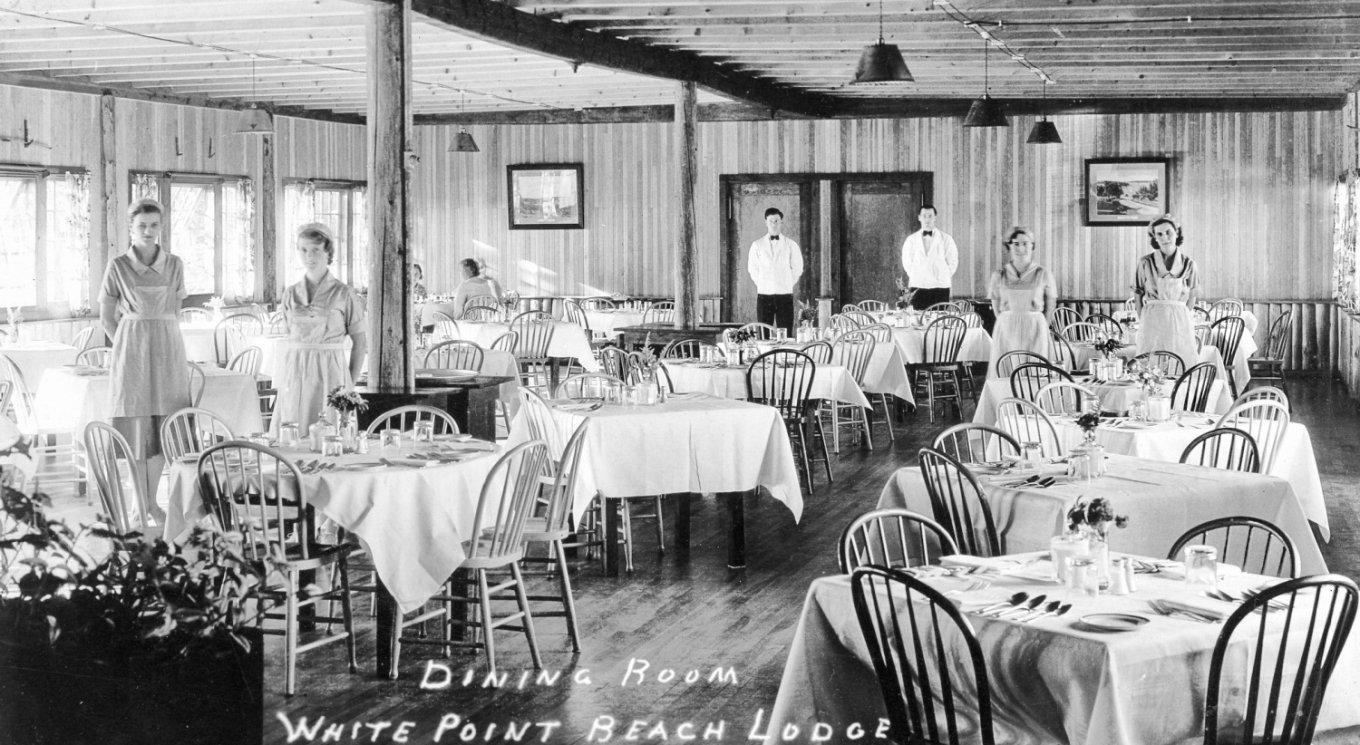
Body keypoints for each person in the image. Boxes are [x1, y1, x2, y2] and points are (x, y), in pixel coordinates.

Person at [98, 198, 189, 502]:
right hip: (132, 353)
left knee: (167, 423)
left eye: (153, 225)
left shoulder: (175, 264)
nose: (148, 231)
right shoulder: (118, 266)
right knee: (137, 426)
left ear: (161, 227)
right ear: (131, 228)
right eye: (142, 226)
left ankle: (152, 500)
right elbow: (106, 317)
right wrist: (127, 343)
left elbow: (175, 311)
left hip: (168, 349)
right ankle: (141, 503)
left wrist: (161, 340)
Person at [276, 223, 368, 434]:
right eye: (304, 250)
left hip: (331, 371)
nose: (310, 256)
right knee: (293, 431)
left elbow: (360, 343)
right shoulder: (290, 293)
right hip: (297, 371)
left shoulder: (344, 294)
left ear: (328, 252)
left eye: (316, 249)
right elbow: (289, 337)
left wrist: (348, 386)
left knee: (331, 432)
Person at [986, 227, 1056, 379]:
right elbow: (995, 302)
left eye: (1025, 243)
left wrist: (1043, 324)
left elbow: (1051, 302)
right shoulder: (999, 275)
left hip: (1035, 328)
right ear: (1009, 246)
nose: (1021, 248)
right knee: (1006, 370)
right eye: (1016, 244)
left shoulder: (1043, 273)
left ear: (1032, 246)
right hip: (1007, 328)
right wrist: (1005, 321)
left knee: (1035, 373)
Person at [1133, 214, 1199, 367]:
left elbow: (1193, 293)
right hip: (1152, 318)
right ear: (1154, 238)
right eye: (1159, 234)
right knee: (1151, 362)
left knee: (1181, 361)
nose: (1165, 238)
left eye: (1168, 232)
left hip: (1179, 319)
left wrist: (1184, 315)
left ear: (1177, 232)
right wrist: (1143, 317)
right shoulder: (1145, 262)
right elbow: (1138, 292)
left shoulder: (1189, 264)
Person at [746, 207, 803, 333]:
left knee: (786, 332)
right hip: (764, 295)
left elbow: (797, 268)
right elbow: (753, 269)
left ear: (781, 222)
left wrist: (785, 282)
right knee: (763, 332)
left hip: (785, 295)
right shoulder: (757, 245)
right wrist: (764, 283)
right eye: (771, 221)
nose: (774, 224)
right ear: (766, 222)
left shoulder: (790, 244)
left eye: (776, 220)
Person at [900, 205, 959, 310]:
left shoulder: (946, 239)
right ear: (919, 217)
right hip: (918, 286)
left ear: (935, 217)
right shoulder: (911, 240)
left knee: (939, 320)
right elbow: (907, 262)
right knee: (918, 319)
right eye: (924, 216)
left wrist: (941, 275)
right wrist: (918, 274)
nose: (927, 219)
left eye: (930, 216)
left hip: (940, 287)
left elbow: (953, 261)